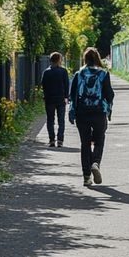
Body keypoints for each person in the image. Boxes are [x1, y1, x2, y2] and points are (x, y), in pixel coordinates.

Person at [68, 47, 115, 187]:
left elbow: (72, 95)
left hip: (82, 113)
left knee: (85, 143)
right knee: (99, 140)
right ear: (97, 58)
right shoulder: (103, 74)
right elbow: (109, 94)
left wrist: (72, 112)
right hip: (99, 112)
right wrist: (108, 109)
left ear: (85, 59)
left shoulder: (79, 74)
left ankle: (86, 177)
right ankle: (95, 163)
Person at [40, 52, 69, 147]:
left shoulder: (46, 72)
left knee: (50, 120)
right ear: (59, 60)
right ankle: (60, 140)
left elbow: (43, 85)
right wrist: (66, 97)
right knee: (61, 121)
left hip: (49, 99)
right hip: (60, 99)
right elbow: (66, 85)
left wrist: (45, 95)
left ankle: (52, 139)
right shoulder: (63, 71)